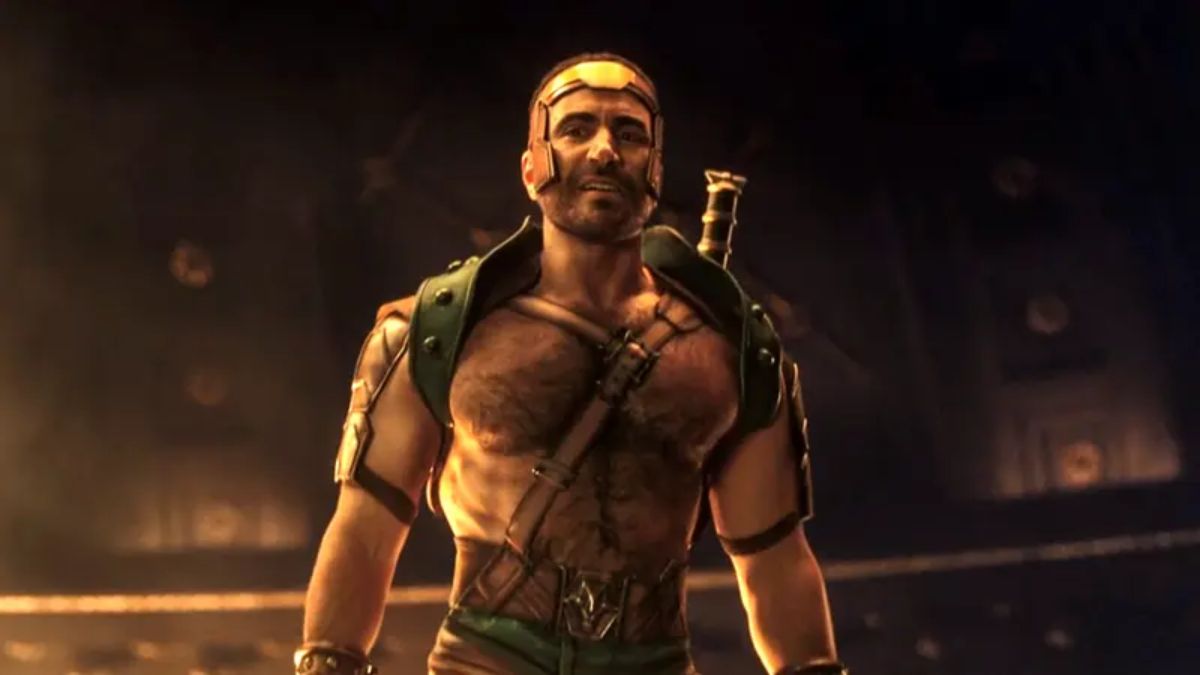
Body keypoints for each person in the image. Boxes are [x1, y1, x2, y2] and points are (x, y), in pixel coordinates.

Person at [296, 53, 845, 675]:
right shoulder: (435, 332)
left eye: (629, 133)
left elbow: (773, 556)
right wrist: (328, 663)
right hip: (488, 659)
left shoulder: (732, 349)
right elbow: (367, 528)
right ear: (532, 165)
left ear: (655, 168)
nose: (605, 151)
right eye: (577, 128)